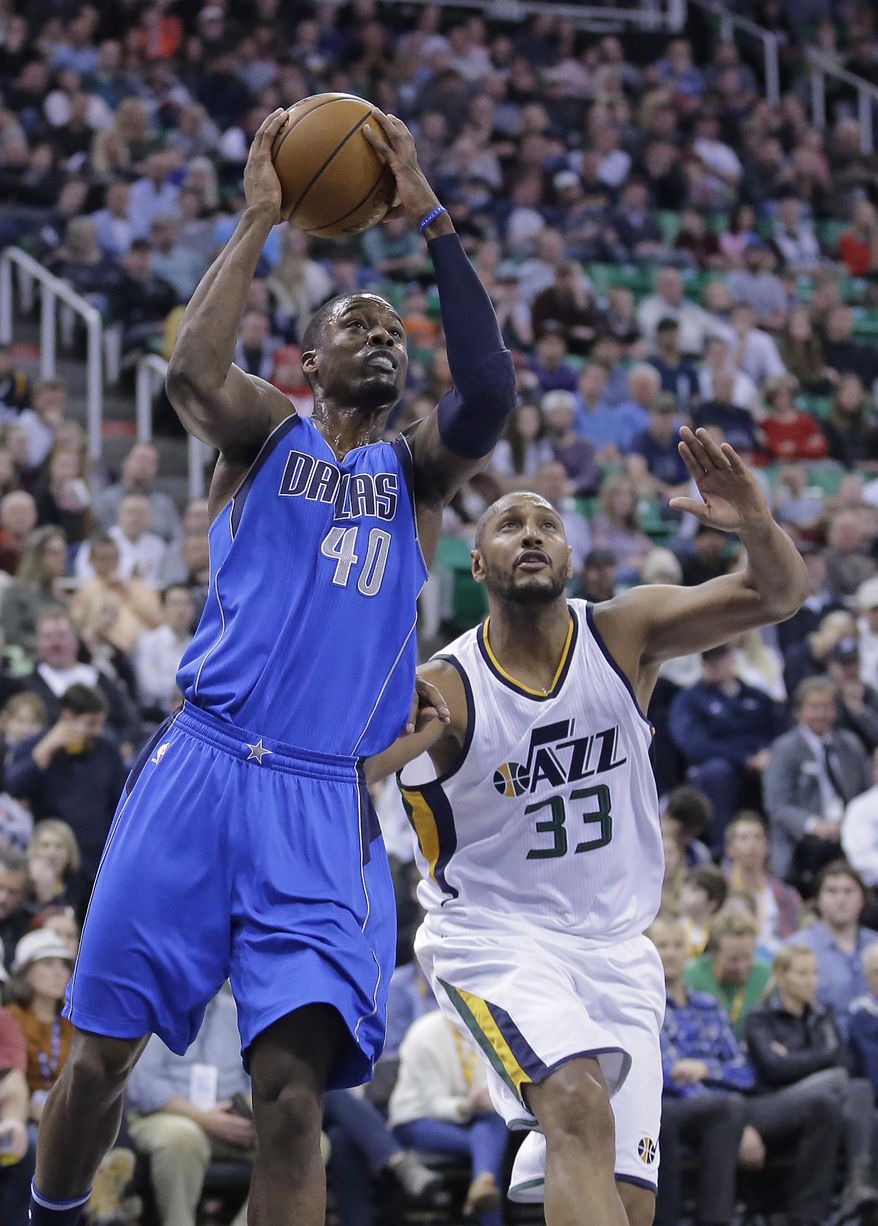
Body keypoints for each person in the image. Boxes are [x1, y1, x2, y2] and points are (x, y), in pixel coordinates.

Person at [27, 110, 516, 1226]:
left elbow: (488, 392)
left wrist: (432, 219)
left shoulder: (415, 477)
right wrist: (258, 216)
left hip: (318, 801)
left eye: (394, 330)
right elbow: (191, 372)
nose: (383, 337)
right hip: (200, 769)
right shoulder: (264, 435)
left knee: (292, 1100)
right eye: (357, 324)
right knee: (99, 1058)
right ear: (308, 361)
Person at [367, 424, 807, 1225]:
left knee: (630, 1204)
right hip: (499, 939)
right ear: (478, 564)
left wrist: (756, 524)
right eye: (509, 524)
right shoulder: (449, 687)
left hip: (619, 949)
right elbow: (354, 770)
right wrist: (384, 725)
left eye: (547, 524)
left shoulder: (622, 634)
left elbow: (777, 595)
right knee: (576, 1103)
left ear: (570, 558)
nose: (531, 534)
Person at [745, 943, 878, 1219]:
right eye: (803, 973)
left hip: (824, 1101)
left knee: (860, 1099)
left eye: (815, 973)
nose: (811, 981)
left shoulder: (822, 1015)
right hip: (775, 1103)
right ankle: (857, 1183)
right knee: (840, 1082)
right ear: (781, 975)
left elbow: (846, 1061)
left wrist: (795, 1058)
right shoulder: (760, 1018)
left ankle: (858, 1185)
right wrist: (824, 1057)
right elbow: (774, 1069)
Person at [649, 914, 749, 1226]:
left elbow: (744, 1071)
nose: (670, 953)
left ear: (688, 952)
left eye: (677, 945)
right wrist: (706, 1088)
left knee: (729, 1109)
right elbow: (659, 1073)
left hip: (718, 1106)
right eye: (662, 945)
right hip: (666, 1107)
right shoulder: (642, 1006)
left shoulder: (708, 1005)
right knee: (720, 1109)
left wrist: (705, 1069)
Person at [388, 1009, 508, 1226]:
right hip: (416, 1120)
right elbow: (433, 1103)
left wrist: (488, 1097)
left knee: (493, 1125)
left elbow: (487, 1081)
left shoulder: (486, 1028)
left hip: (467, 1118)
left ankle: (483, 1183)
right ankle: (484, 1186)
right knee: (487, 1148)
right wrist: (467, 1105)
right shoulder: (424, 1033)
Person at [6, 685, 127, 883]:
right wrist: (45, 750)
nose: (97, 731)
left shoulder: (107, 751)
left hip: (96, 859)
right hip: (52, 857)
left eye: (100, 724)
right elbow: (14, 788)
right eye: (90, 724)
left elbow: (120, 802)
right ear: (68, 716)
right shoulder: (37, 746)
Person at [763, 677, 871, 889]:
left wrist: (853, 822)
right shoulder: (784, 749)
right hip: (805, 837)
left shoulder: (850, 744)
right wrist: (814, 825)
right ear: (799, 711)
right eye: (814, 707)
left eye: (828, 707)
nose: (821, 714)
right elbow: (778, 806)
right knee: (821, 848)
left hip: (851, 827)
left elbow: (868, 793)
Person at [790, 861, 878, 1036]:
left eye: (848, 891)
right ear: (818, 900)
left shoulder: (875, 944)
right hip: (822, 1041)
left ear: (863, 898)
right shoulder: (798, 948)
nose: (841, 899)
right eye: (832, 891)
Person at [684, 909, 772, 1041]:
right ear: (714, 953)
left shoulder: (766, 976)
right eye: (733, 959)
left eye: (747, 957)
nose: (741, 966)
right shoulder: (692, 976)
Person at [723, 813, 801, 952]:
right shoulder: (720, 889)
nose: (752, 845)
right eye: (744, 838)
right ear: (730, 849)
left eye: (758, 837)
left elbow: (796, 938)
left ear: (767, 846)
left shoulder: (785, 894)